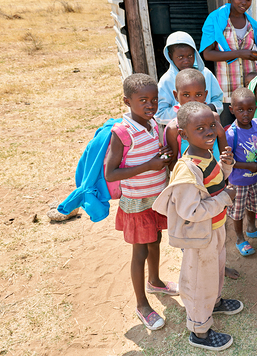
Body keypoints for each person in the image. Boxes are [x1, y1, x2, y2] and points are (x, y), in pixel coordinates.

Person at [152, 102, 243, 351]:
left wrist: (226, 165)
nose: (209, 132)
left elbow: (215, 182)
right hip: (200, 235)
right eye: (200, 128)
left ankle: (214, 303)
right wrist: (226, 198)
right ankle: (199, 331)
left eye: (212, 125)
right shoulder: (187, 169)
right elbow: (190, 211)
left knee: (215, 272)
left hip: (216, 228)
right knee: (199, 281)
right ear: (183, 135)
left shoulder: (206, 153)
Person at [104, 73, 176, 331]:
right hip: (137, 201)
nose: (150, 105)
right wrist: (149, 165)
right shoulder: (122, 132)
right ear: (127, 101)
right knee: (140, 251)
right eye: (143, 100)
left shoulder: (153, 123)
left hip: (156, 197)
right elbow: (111, 173)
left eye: (154, 100)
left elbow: (153, 153)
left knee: (155, 240)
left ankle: (155, 281)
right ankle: (142, 304)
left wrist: (163, 155)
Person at [200, 0, 257, 126]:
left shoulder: (252, 24)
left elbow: (250, 50)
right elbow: (208, 54)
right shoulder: (216, 19)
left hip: (250, 91)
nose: (244, 2)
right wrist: (239, 53)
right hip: (227, 91)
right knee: (227, 133)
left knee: (250, 133)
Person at [225, 88, 257, 256]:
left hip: (255, 179)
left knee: (253, 206)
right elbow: (228, 161)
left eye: (250, 109)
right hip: (238, 181)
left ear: (255, 108)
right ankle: (240, 238)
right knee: (237, 212)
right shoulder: (231, 133)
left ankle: (252, 228)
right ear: (232, 109)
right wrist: (248, 166)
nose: (245, 114)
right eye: (240, 110)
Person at [156, 31, 223, 125]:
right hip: (180, 133)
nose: (186, 61)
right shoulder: (166, 80)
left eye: (190, 56)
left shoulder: (206, 74)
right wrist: (185, 111)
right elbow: (159, 115)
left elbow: (218, 100)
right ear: (170, 56)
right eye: (180, 57)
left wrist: (209, 108)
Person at [163, 69, 226, 169]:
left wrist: (224, 172)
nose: (192, 100)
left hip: (216, 176)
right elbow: (172, 165)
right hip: (191, 180)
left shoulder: (214, 118)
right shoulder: (173, 128)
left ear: (205, 95)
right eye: (186, 95)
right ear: (176, 96)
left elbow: (223, 151)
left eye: (198, 95)